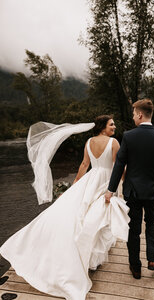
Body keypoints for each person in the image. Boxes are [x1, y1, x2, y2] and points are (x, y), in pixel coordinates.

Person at [0, 115, 130, 300]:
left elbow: (85, 164)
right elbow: (118, 166)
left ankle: (90, 257)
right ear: (103, 127)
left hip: (91, 180)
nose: (114, 127)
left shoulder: (88, 142)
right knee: (100, 216)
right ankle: (92, 259)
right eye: (111, 124)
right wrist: (127, 183)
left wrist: (76, 184)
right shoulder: (114, 143)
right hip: (107, 181)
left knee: (86, 214)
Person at [105, 99, 154, 279]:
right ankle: (152, 259)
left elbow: (119, 164)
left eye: (134, 114)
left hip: (132, 191)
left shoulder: (129, 136)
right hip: (153, 191)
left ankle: (135, 267)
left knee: (133, 229)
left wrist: (111, 190)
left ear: (140, 115)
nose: (133, 117)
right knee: (151, 222)